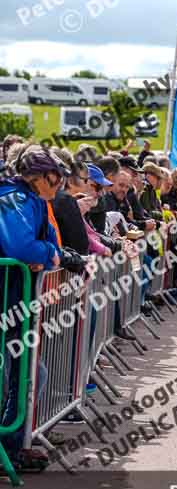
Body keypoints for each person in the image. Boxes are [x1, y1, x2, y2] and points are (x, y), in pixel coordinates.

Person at [0, 145, 66, 472]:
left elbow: (53, 243)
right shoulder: (14, 198)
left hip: (15, 301)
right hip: (6, 300)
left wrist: (47, 255)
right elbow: (20, 246)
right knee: (20, 376)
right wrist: (46, 254)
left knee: (29, 374)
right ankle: (8, 449)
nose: (59, 183)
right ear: (38, 176)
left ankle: (11, 448)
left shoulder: (34, 202)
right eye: (54, 177)